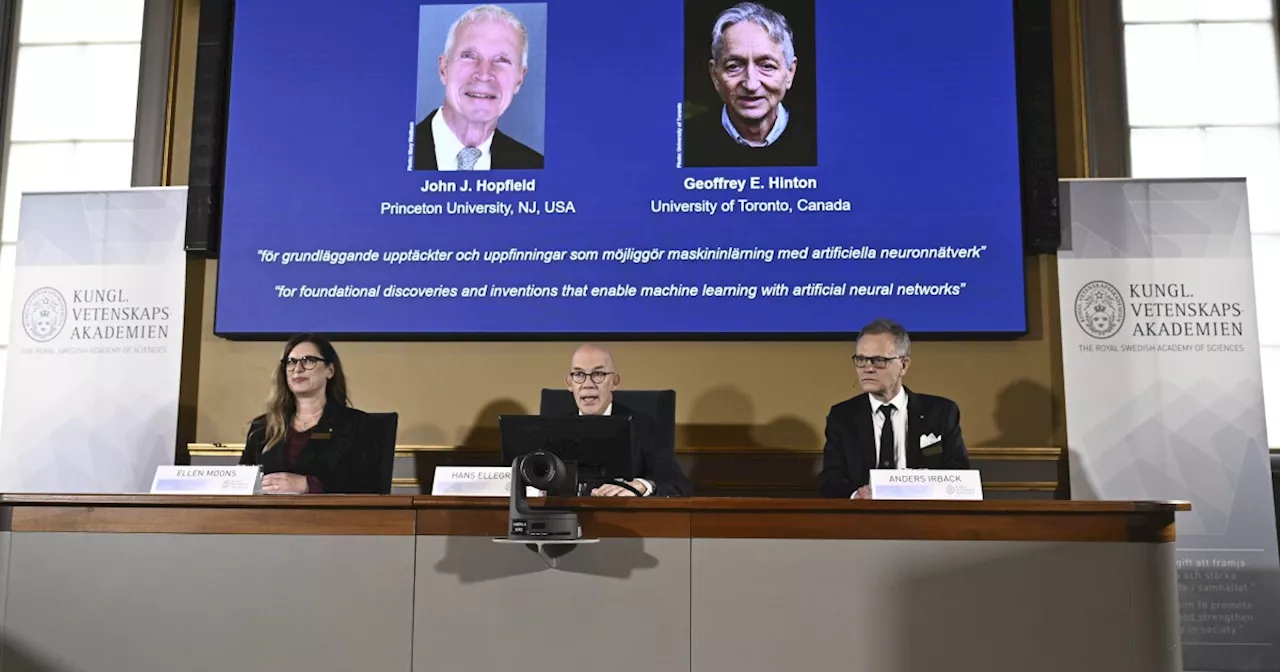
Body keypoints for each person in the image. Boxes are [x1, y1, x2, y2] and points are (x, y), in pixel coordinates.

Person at [818, 319, 970, 498]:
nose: (867, 368)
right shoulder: (842, 416)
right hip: (863, 517)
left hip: (923, 515)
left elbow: (959, 473)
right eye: (861, 359)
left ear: (904, 365)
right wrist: (855, 495)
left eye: (878, 360)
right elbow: (830, 478)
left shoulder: (940, 412)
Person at [239, 334, 385, 494]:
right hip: (266, 517)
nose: (298, 369)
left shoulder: (357, 425)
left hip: (331, 518)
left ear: (329, 370)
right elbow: (241, 485)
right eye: (291, 362)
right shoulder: (262, 428)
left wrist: (309, 485)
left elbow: (370, 487)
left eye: (309, 360)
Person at [683, 2, 816, 168]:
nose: (751, 85)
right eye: (734, 66)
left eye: (767, 66)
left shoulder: (821, 138)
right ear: (715, 75)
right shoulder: (684, 141)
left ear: (790, 72)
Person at [413, 4, 544, 170]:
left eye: (501, 60)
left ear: (519, 79)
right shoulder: (391, 154)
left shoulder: (534, 167)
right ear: (444, 68)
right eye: (469, 56)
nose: (484, 74)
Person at [560, 343, 693, 497]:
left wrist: (642, 486)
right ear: (569, 384)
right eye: (579, 374)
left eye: (598, 374)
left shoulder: (643, 427)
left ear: (614, 382)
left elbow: (677, 484)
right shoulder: (554, 429)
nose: (588, 384)